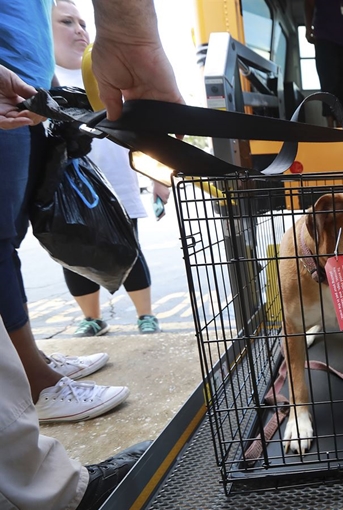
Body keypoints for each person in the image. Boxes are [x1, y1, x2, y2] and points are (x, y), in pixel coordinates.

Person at [0, 0, 183, 507]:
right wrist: (131, 29)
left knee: (5, 244)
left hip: (16, 99)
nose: (78, 30)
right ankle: (43, 472)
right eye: (68, 22)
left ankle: (29, 369)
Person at [0, 0, 131, 423]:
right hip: (7, 96)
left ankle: (27, 359)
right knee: (0, 242)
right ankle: (38, 384)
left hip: (26, 96)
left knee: (11, 238)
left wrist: (53, 94)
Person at [52, 0, 168, 337]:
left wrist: (159, 179)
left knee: (127, 248)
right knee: (73, 252)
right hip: (67, 186)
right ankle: (92, 318)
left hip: (116, 183)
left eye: (83, 23)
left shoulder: (101, 67)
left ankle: (145, 315)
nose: (79, 30)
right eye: (67, 22)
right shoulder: (44, 77)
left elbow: (139, 132)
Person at [304, 0, 343, 127]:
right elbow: (309, 3)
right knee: (329, 83)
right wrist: (307, 28)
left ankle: (341, 124)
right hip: (325, 40)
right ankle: (330, 126)